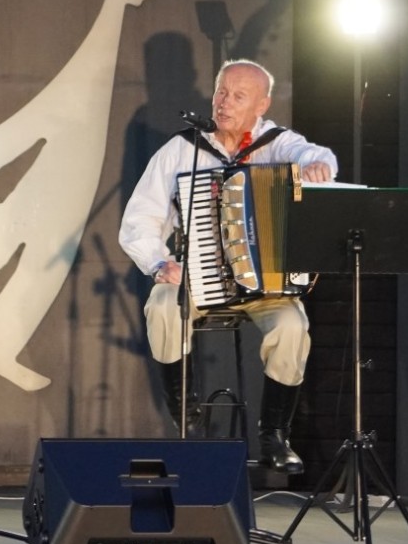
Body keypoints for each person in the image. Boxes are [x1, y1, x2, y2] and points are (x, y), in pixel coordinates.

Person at [119, 59, 337, 474]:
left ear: (262, 105)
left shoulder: (277, 143)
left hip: (264, 288)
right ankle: (185, 413)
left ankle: (275, 434)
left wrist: (318, 166)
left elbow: (314, 155)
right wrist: (159, 262)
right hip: (198, 279)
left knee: (293, 326)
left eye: (238, 96)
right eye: (221, 92)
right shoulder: (183, 149)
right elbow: (140, 217)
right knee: (162, 305)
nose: (224, 103)